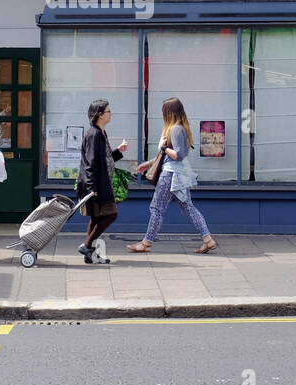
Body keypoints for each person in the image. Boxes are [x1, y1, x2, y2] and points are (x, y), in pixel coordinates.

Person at [129, 97, 217, 254]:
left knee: (157, 208)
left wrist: (163, 147)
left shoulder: (175, 129)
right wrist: (148, 164)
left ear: (169, 113)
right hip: (178, 175)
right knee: (188, 208)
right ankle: (208, 240)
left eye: (164, 112)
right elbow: (167, 156)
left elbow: (179, 154)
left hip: (170, 175)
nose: (163, 115)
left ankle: (146, 243)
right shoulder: (181, 128)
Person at [76, 98, 127, 264]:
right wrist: (92, 188)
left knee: (97, 218)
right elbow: (90, 163)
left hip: (101, 183)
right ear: (99, 115)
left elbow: (104, 159)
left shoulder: (101, 133)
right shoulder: (94, 134)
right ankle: (87, 245)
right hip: (97, 185)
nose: (110, 114)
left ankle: (90, 254)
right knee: (111, 214)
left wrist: (118, 151)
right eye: (108, 111)